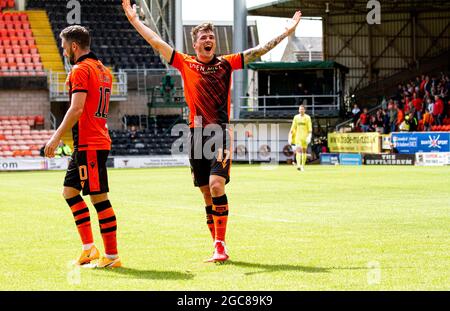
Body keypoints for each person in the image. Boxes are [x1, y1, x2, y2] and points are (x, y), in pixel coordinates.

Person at [123, 0, 302, 262]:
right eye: (204, 37)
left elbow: (258, 49)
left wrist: (286, 33)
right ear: (195, 44)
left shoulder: (226, 64)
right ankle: (217, 245)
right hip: (195, 137)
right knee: (206, 193)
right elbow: (157, 42)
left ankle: (221, 244)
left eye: (211, 37)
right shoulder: (185, 62)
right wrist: (135, 21)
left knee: (217, 185)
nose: (209, 40)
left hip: (220, 134)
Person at [44, 25, 120, 268]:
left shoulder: (81, 69)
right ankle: (89, 249)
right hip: (90, 142)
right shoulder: (103, 70)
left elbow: (77, 109)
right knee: (70, 192)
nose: (63, 49)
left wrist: (55, 137)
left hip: (90, 143)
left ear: (74, 46)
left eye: (64, 45)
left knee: (100, 199)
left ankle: (111, 256)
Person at [288, 104, 312, 172]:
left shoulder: (308, 117)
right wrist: (290, 136)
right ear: (298, 110)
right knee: (298, 150)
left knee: (304, 151)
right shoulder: (296, 117)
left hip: (305, 137)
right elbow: (293, 127)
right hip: (298, 137)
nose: (301, 110)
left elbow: (310, 127)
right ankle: (298, 165)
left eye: (302, 109)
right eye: (300, 109)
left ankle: (302, 165)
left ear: (304, 110)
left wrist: (309, 136)